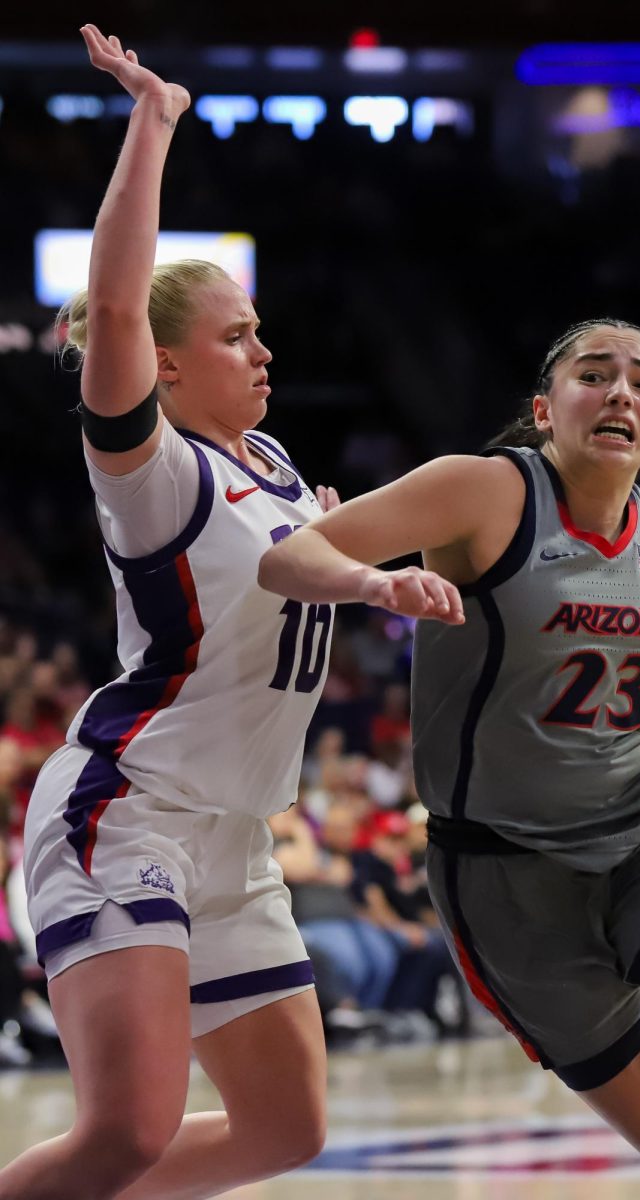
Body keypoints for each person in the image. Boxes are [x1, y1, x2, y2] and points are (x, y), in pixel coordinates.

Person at [259, 316, 640, 1200]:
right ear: (545, 411)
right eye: (596, 374)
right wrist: (375, 582)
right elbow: (289, 560)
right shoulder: (480, 491)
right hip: (507, 883)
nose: (621, 390)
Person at [0, 26, 339, 1200]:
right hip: (130, 812)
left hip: (235, 838)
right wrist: (153, 120)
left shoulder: (277, 467)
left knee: (287, 1130)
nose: (265, 350)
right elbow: (113, 298)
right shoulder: (156, 474)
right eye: (236, 333)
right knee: (126, 1133)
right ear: (169, 365)